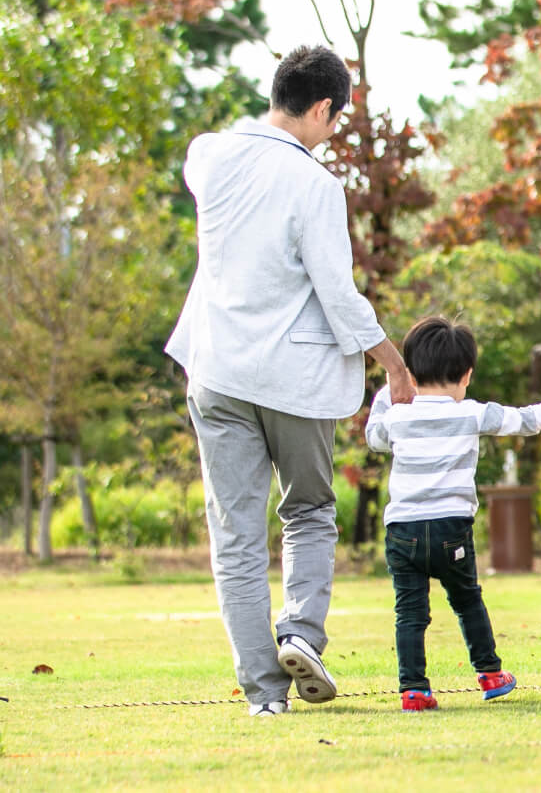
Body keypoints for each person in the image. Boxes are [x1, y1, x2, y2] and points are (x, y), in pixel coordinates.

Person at [166, 44, 417, 717]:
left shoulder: (209, 155)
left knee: (237, 535)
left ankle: (264, 694)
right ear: (324, 109)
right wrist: (391, 359)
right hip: (291, 377)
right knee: (307, 508)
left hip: (216, 370)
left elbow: (203, 158)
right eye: (335, 119)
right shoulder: (314, 184)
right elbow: (336, 290)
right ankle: (300, 631)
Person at [366, 316, 541, 711]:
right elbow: (525, 420)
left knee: (409, 612)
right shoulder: (471, 413)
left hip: (403, 532)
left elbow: (373, 438)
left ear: (410, 373)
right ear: (466, 374)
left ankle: (414, 689)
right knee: (467, 600)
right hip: (451, 529)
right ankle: (491, 673)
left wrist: (385, 394)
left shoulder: (396, 417)